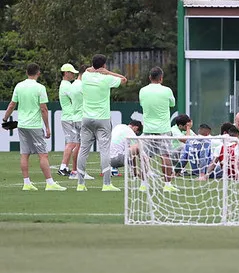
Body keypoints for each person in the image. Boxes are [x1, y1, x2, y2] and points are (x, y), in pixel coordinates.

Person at [2, 63, 66, 191]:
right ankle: (50, 183)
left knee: (24, 154)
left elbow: (12, 104)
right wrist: (47, 127)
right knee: (43, 154)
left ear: (27, 73)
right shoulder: (40, 88)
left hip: (22, 125)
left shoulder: (19, 86)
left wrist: (5, 118)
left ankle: (26, 183)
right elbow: (43, 109)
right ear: (38, 73)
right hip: (34, 126)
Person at [76, 54, 127, 192]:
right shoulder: (107, 78)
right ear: (104, 66)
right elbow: (123, 80)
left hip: (86, 118)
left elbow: (86, 70)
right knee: (104, 150)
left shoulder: (86, 75)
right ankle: (106, 184)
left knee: (83, 149)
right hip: (102, 118)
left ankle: (80, 184)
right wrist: (108, 72)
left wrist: (94, 69)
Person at [137, 66, 177, 192]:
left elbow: (142, 104)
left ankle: (143, 184)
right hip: (163, 129)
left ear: (150, 77)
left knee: (145, 156)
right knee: (165, 156)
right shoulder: (167, 90)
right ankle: (167, 185)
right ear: (161, 78)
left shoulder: (142, 91)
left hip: (148, 129)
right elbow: (172, 104)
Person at [57, 63, 80, 177]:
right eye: (71, 73)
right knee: (72, 143)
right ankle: (63, 167)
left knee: (72, 143)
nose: (73, 75)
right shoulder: (67, 86)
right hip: (70, 117)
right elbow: (76, 97)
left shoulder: (65, 85)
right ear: (66, 73)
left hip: (68, 116)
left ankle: (64, 166)